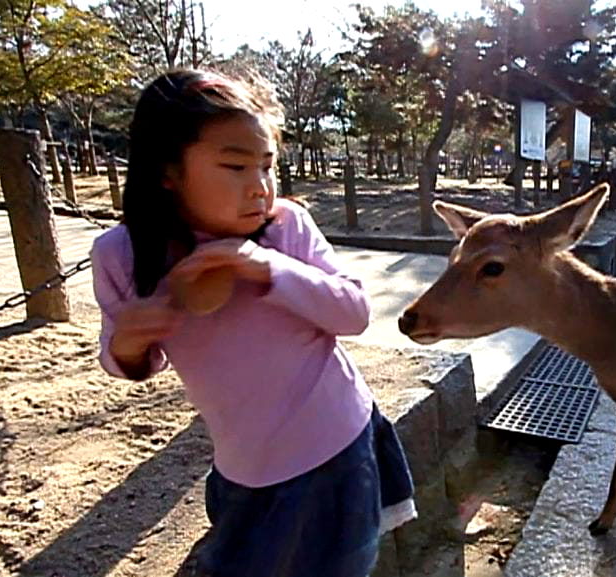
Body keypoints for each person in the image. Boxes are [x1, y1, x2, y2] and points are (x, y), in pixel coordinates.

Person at [90, 69, 415, 577]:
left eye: (268, 166)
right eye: (235, 166)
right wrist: (130, 338)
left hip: (339, 449)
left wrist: (266, 268)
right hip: (245, 466)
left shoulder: (285, 228)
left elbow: (353, 312)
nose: (260, 187)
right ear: (166, 170)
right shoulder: (124, 255)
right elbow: (128, 360)